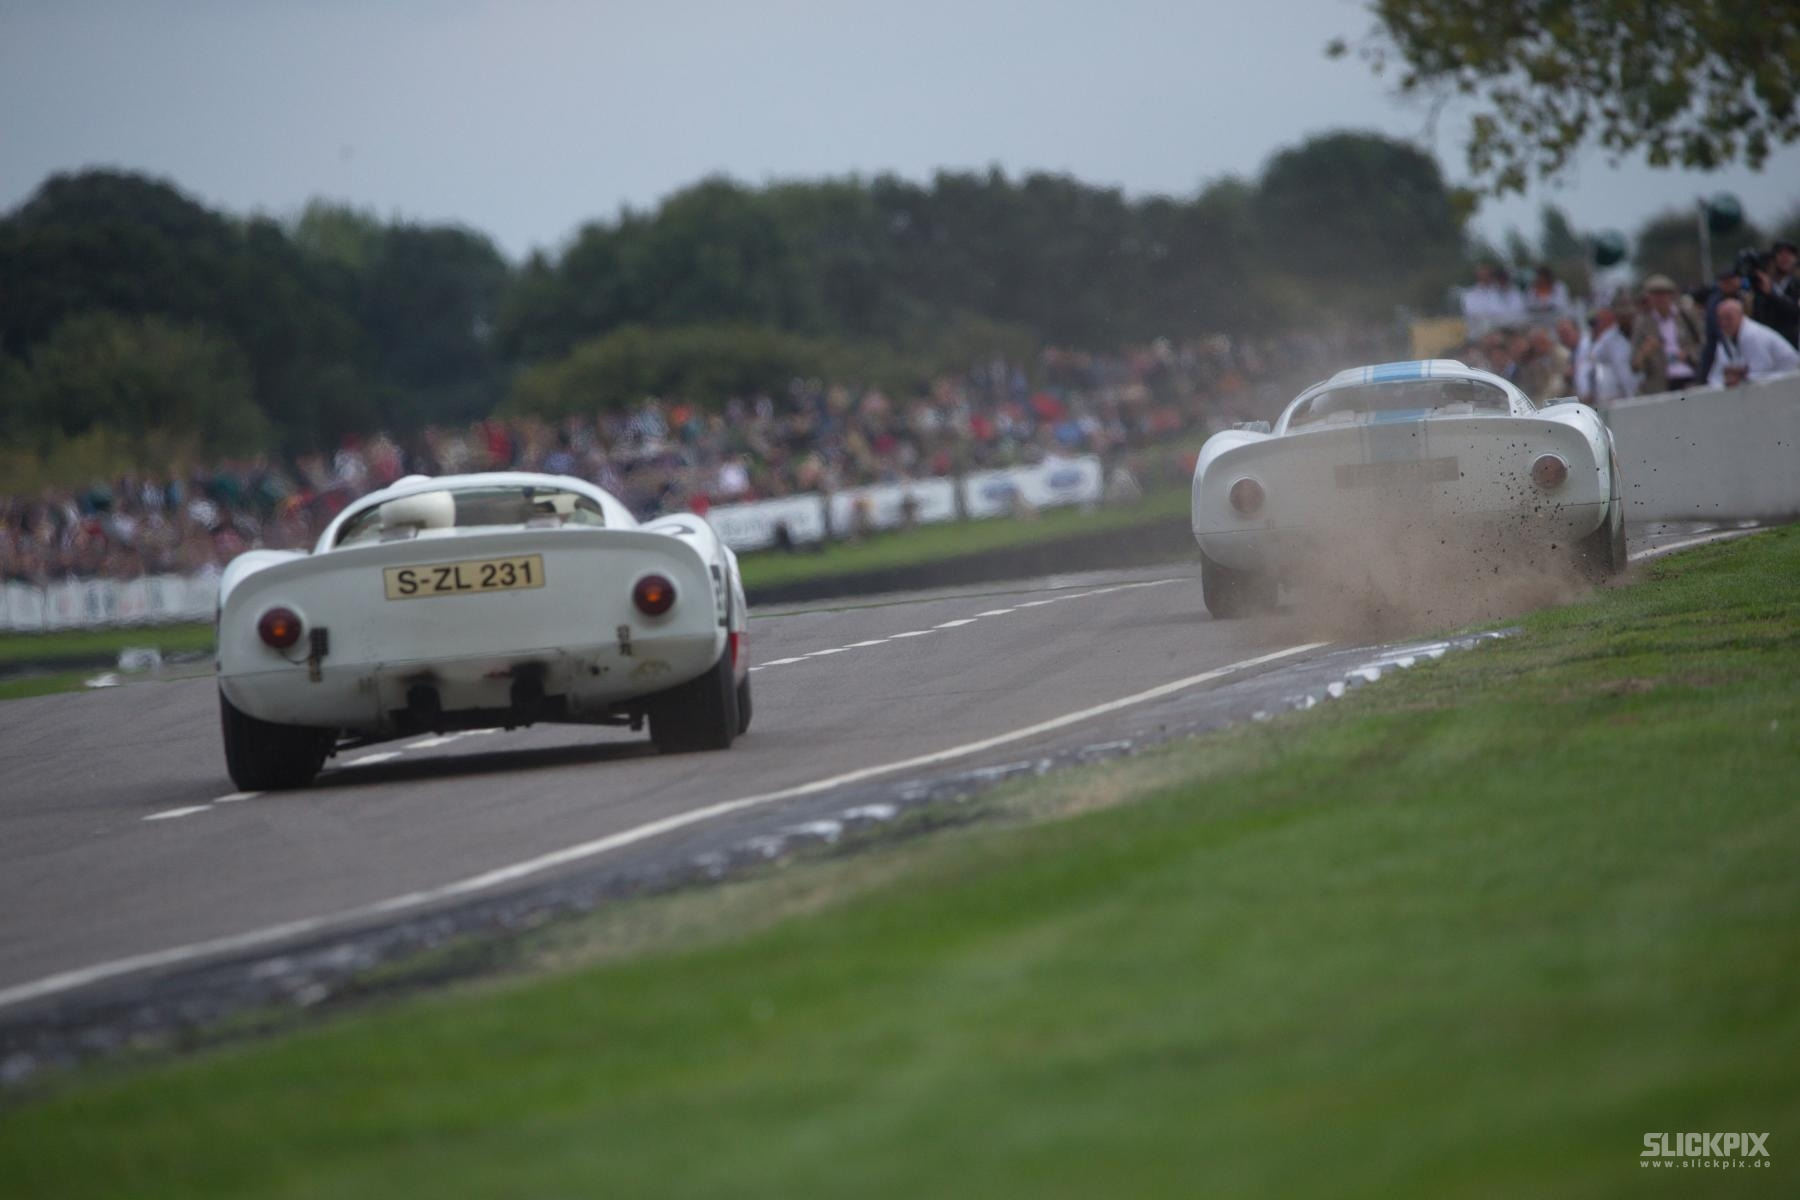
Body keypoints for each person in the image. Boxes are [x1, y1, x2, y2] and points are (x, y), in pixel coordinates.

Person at [1630, 274, 1704, 393]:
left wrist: (1689, 355)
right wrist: (1645, 352)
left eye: (1663, 294)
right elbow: (1634, 365)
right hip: (1660, 383)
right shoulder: (1643, 324)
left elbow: (1703, 344)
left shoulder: (1686, 316)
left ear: (1671, 295)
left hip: (1689, 377)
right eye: (1655, 295)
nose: (1659, 299)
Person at [1706, 298, 1800, 387]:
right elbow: (1715, 377)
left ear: (1740, 316)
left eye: (1728, 318)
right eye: (1720, 319)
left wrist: (1740, 376)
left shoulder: (1753, 334)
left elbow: (1761, 373)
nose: (1724, 323)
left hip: (1789, 381)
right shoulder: (1725, 341)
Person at [1747, 239, 1800, 347]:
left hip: (1792, 343)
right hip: (1767, 342)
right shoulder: (1760, 286)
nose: (1785, 258)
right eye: (1780, 254)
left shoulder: (1796, 286)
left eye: (1789, 254)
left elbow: (1794, 311)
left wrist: (1771, 294)